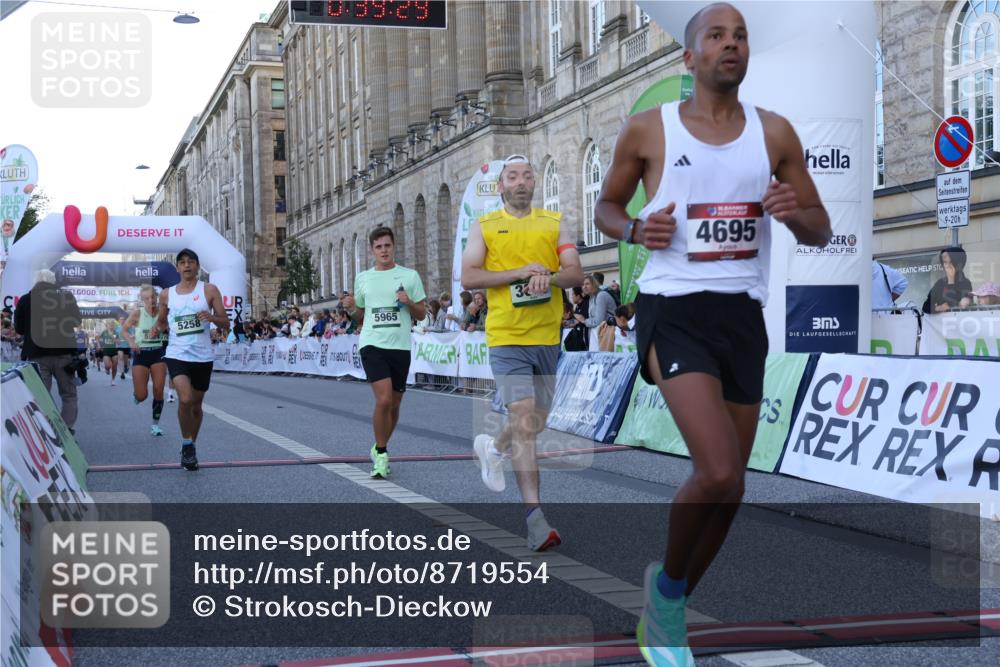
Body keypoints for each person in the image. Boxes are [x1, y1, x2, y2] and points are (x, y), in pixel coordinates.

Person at [593, 4, 832, 664]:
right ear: (689, 57)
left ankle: (668, 600)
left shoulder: (775, 134)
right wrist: (638, 228)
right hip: (672, 310)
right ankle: (667, 601)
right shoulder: (650, 130)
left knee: (734, 486)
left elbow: (820, 226)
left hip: (741, 318)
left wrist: (794, 213)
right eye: (716, 36)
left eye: (740, 36)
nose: (731, 45)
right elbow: (605, 207)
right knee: (718, 467)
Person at [462, 153, 584, 552]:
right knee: (524, 417)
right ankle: (536, 520)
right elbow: (470, 276)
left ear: (534, 183)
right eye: (512, 176)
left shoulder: (553, 222)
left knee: (536, 422)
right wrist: (517, 273)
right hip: (506, 338)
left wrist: (546, 277)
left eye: (526, 176)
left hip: (547, 338)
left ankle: (493, 447)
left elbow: (575, 273)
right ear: (501, 186)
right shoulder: (485, 226)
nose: (520, 182)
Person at [342, 226, 427, 479]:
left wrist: (408, 302)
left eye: (387, 246)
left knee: (396, 403)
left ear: (393, 247)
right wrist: (350, 309)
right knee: (384, 400)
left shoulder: (409, 276)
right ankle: (381, 453)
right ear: (372, 251)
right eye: (378, 247)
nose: (383, 251)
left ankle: (378, 447)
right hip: (372, 343)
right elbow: (360, 316)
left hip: (400, 345)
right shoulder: (363, 278)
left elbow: (421, 313)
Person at [149, 249, 230, 471]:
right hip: (177, 353)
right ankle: (187, 445)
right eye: (182, 262)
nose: (187, 266)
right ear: (177, 268)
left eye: (191, 262)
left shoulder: (209, 290)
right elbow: (162, 321)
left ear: (197, 266)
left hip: (203, 356)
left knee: (196, 405)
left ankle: (192, 443)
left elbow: (226, 324)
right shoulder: (166, 294)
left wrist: (212, 317)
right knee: (184, 399)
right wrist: (157, 329)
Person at [13, 269, 83, 433]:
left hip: (36, 355)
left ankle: (45, 429)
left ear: (36, 281)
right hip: (64, 354)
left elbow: (19, 329)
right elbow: (77, 320)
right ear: (53, 282)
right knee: (69, 395)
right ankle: (67, 429)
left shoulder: (25, 300)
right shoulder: (66, 297)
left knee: (39, 395)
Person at [121, 285, 169, 436]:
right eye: (146, 298)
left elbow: (169, 325)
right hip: (141, 353)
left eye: (153, 297)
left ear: (156, 297)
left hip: (158, 353)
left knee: (158, 390)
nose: (151, 300)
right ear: (142, 300)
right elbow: (124, 330)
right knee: (142, 396)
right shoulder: (137, 313)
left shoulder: (163, 312)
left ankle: (155, 425)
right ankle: (137, 395)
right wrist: (131, 342)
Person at [922, 246, 973, 313]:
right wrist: (938, 308)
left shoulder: (965, 283)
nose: (947, 266)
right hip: (940, 322)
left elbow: (952, 303)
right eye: (945, 262)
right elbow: (926, 306)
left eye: (951, 262)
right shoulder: (940, 283)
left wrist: (951, 280)